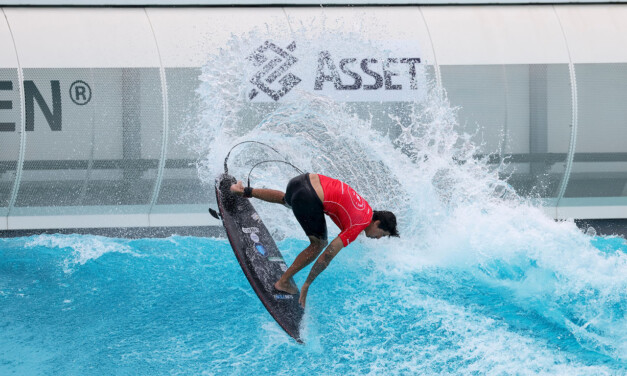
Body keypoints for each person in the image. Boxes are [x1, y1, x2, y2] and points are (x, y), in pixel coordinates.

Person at [230, 173, 399, 308]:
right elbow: (327, 256)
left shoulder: (365, 209)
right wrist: (306, 285)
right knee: (319, 244)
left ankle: (243, 190)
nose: (377, 238)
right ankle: (283, 282)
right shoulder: (359, 224)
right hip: (309, 197)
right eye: (381, 234)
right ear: (377, 223)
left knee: (287, 200)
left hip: (301, 181)